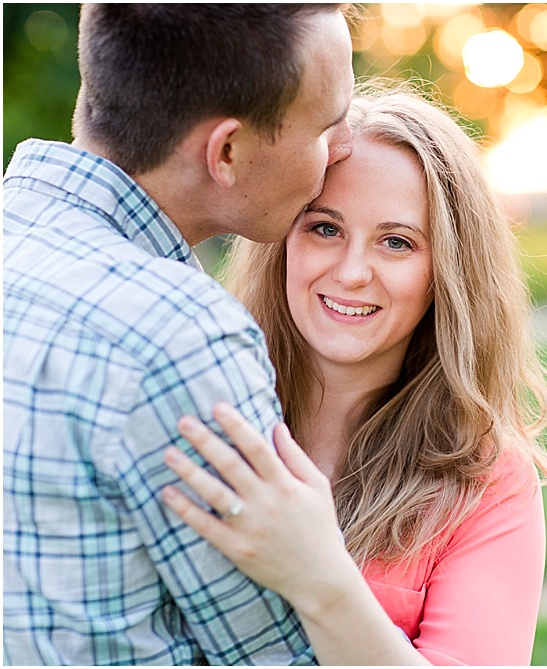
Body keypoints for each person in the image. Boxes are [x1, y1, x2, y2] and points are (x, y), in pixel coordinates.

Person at [160, 83, 547, 665]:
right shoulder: (202, 415)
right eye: (325, 228)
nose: (351, 272)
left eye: (396, 243)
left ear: (447, 273)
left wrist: (317, 575)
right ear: (282, 240)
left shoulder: (488, 481)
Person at [3, 4, 354, 665]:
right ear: (228, 151)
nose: (341, 148)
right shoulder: (178, 337)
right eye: (327, 125)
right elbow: (281, 657)